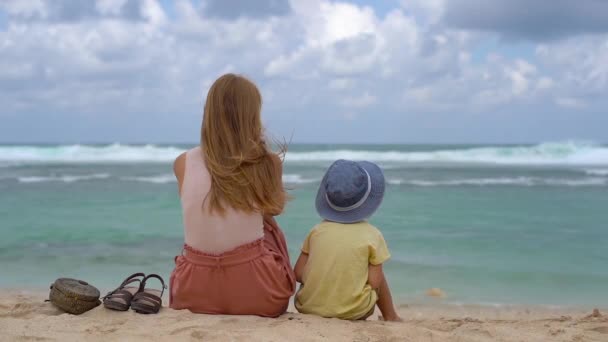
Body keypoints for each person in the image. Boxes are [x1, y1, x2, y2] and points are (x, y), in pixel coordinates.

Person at [170, 73, 295, 317]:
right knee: (269, 227)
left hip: (192, 292)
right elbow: (274, 209)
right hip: (259, 293)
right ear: (252, 116)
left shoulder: (183, 162)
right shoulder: (266, 162)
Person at [293, 159, 402, 321]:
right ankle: (391, 316)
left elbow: (299, 274)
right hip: (355, 311)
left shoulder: (316, 231)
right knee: (377, 276)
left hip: (308, 308)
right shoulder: (373, 235)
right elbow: (374, 283)